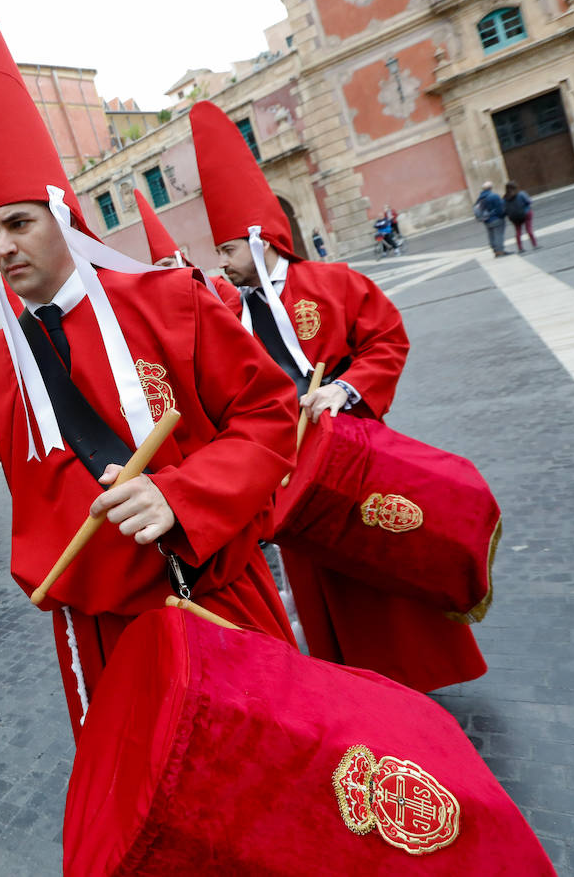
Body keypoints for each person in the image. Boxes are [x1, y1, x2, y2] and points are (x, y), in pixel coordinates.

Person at [0, 0, 296, 739]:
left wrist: (182, 495)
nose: (3, 247)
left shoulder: (171, 303)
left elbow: (270, 415)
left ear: (61, 215)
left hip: (209, 590)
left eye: (18, 224)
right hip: (93, 632)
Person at [192, 98, 486, 692]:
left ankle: (417, 674)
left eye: (226, 250)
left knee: (386, 564)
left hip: (353, 459)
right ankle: (356, 683)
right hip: (285, 481)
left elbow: (387, 341)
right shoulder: (225, 313)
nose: (221, 265)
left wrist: (346, 390)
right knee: (319, 582)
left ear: (259, 239)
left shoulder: (332, 284)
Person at [504, 181, 539, 252]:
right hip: (526, 214)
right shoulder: (521, 194)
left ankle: (520, 248)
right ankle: (534, 245)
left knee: (518, 232)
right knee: (529, 229)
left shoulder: (505, 198)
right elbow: (529, 201)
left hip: (514, 217)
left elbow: (504, 208)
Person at [474, 181, 507, 256]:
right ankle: (500, 251)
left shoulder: (479, 198)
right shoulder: (494, 196)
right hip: (496, 219)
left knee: (491, 235)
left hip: (486, 220)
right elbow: (500, 209)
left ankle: (495, 251)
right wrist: (502, 216)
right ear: (491, 188)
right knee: (498, 235)